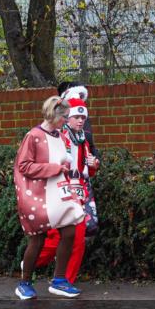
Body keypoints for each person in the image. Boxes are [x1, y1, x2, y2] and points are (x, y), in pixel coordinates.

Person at [13, 96, 85, 300]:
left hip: (58, 192)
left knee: (69, 231)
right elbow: (24, 166)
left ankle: (59, 280)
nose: (66, 120)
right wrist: (54, 168)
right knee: (38, 239)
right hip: (38, 195)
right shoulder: (33, 136)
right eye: (64, 116)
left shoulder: (60, 136)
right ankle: (24, 282)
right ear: (54, 114)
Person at [33, 97, 99, 284]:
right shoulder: (58, 137)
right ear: (66, 118)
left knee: (78, 239)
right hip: (59, 192)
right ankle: (31, 264)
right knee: (57, 238)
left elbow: (87, 171)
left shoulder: (83, 141)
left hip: (78, 195)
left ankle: (65, 281)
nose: (80, 121)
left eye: (83, 118)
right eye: (76, 117)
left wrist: (94, 165)